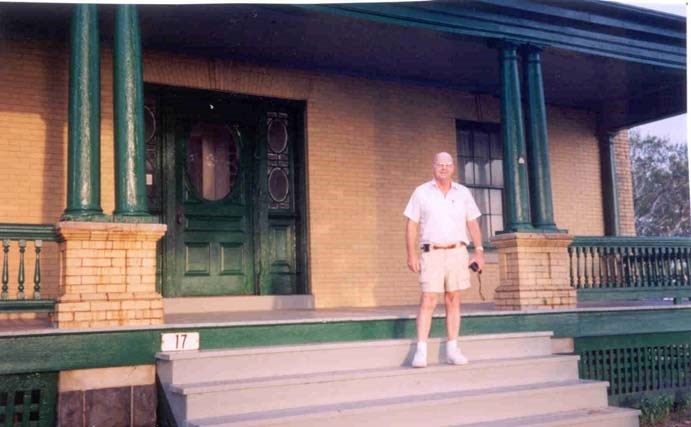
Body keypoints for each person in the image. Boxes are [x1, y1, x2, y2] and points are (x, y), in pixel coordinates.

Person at [403, 152, 485, 368]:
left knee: (453, 299)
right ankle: (421, 351)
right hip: (432, 252)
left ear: (453, 168)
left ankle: (452, 349)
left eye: (448, 164)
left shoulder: (463, 193)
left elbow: (473, 223)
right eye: (440, 164)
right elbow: (411, 224)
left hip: (458, 252)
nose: (444, 168)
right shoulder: (421, 192)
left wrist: (479, 251)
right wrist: (411, 253)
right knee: (428, 299)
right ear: (433, 166)